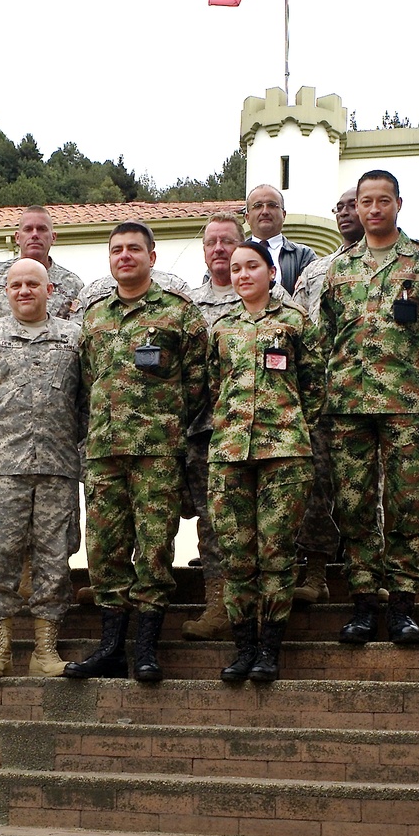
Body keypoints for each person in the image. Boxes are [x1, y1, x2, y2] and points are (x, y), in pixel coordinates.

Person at [320, 169, 419, 645]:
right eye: (366, 201)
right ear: (356, 207)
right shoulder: (339, 269)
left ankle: (402, 604)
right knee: (355, 506)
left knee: (406, 504)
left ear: (398, 204)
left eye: (383, 200)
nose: (374, 209)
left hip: (406, 406)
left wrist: (415, 377)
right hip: (347, 408)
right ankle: (363, 604)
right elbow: (324, 338)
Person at [63, 220, 208, 682]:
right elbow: (88, 380)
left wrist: (171, 431)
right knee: (104, 550)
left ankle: (145, 647)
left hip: (157, 453)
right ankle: (110, 648)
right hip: (104, 452)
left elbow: (200, 382)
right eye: (117, 250)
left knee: (153, 549)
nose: (124, 256)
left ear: (152, 257)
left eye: (133, 249)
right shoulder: (94, 317)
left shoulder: (179, 314)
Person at [0, 258, 82, 678]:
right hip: (2, 470)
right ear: (5, 292)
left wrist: (73, 443)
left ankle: (44, 651)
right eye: (15, 285)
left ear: (51, 291)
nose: (24, 290)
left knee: (54, 558)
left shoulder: (73, 340)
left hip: (58, 469)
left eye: (33, 283)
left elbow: (86, 402)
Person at [208, 241, 324, 683]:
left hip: (284, 454)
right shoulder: (220, 326)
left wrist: (293, 425)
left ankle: (269, 650)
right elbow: (210, 384)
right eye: (235, 268)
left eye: (251, 266)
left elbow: (315, 383)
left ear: (272, 272)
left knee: (275, 553)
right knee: (236, 556)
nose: (242, 275)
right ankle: (243, 649)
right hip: (229, 454)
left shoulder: (296, 322)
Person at [291, 188, 363, 604]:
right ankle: (315, 572)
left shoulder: (407, 261)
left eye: (352, 204)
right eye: (339, 207)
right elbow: (298, 327)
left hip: (371, 397)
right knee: (317, 484)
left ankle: (367, 576)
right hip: (320, 396)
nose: (345, 212)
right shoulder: (317, 271)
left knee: (365, 488)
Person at [181, 213, 244, 640]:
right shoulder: (186, 305)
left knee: (249, 520)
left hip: (253, 431)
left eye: (227, 241)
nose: (218, 248)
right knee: (211, 519)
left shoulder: (259, 298)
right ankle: (217, 603)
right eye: (211, 242)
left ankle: (250, 603)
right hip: (201, 431)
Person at [0, 206, 83, 322]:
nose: (35, 235)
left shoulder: (73, 285)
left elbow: (77, 331)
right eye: (28, 229)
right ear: (17, 237)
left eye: (41, 229)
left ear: (53, 237)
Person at [245, 184, 316, 293]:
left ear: (284, 215)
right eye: (258, 206)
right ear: (247, 217)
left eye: (272, 205)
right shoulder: (233, 256)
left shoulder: (303, 256)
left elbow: (312, 296)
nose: (265, 212)